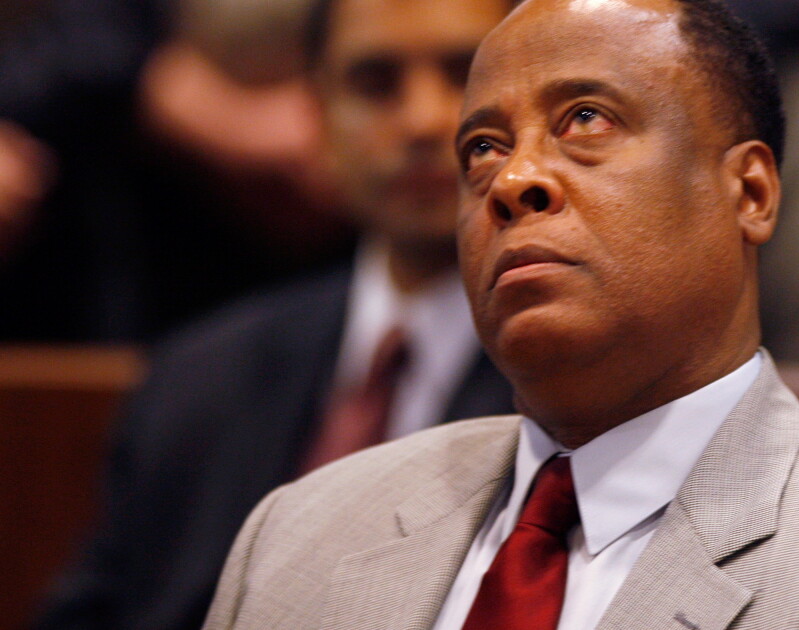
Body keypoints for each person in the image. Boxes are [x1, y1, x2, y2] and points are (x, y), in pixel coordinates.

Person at [201, 0, 799, 627]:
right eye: (485, 148)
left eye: (585, 119)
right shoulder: (296, 537)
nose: (513, 180)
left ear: (751, 192)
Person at [33, 0, 513, 628]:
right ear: (317, 117)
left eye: (464, 75)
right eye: (374, 83)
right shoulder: (196, 379)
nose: (423, 120)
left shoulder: (584, 380)